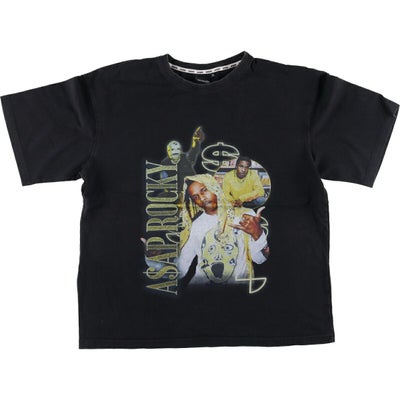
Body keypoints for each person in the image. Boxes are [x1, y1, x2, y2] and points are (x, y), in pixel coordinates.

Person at [178, 173, 269, 287]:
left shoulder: (245, 216)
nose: (202, 198)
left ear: (214, 187)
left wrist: (258, 234)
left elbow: (260, 259)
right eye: (195, 197)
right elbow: (182, 265)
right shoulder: (195, 225)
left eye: (204, 190)